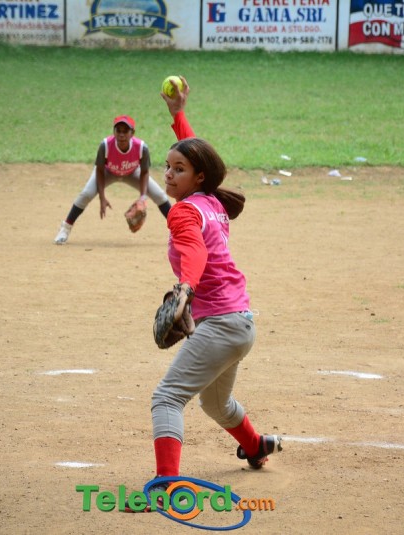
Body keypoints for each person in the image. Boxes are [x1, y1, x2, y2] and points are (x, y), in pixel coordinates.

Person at [130, 77, 281, 511]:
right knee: (217, 404)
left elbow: (193, 251)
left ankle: (166, 485)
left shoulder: (184, 210)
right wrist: (178, 114)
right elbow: (197, 158)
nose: (168, 173)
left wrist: (187, 287)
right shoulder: (209, 199)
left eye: (178, 169)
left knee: (167, 397)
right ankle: (256, 446)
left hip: (218, 325)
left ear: (197, 176)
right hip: (240, 325)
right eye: (167, 167)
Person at [54, 115, 172, 244]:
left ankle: (179, 229)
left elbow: (144, 173)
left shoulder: (141, 148)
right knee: (86, 194)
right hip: (107, 172)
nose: (121, 134)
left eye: (125, 131)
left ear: (132, 133)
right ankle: (65, 228)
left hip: (132, 172)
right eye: (118, 130)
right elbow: (99, 171)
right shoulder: (105, 145)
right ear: (114, 132)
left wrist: (142, 198)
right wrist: (102, 197)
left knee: (160, 195)